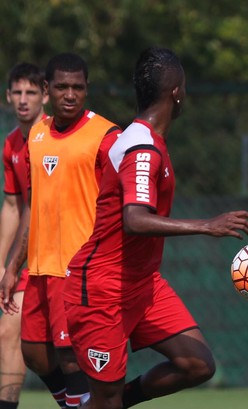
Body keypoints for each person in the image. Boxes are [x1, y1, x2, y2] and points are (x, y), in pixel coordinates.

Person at [62, 47, 248, 409]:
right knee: (104, 399)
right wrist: (207, 226)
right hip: (102, 290)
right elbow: (134, 219)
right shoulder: (142, 147)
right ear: (176, 92)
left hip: (142, 283)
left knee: (196, 364)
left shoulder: (149, 141)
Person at [0, 53, 121, 409]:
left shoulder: (106, 135)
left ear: (86, 90)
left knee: (71, 360)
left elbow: (121, 205)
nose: (70, 94)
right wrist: (12, 266)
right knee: (34, 354)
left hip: (75, 269)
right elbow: (32, 207)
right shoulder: (36, 136)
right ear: (47, 90)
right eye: (63, 87)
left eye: (78, 87)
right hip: (38, 269)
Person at [0, 62, 48, 409]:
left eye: (31, 92)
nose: (23, 99)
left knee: (62, 352)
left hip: (67, 256)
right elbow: (15, 207)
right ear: (7, 96)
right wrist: (3, 265)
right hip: (30, 259)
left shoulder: (55, 135)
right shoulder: (12, 144)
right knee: (8, 333)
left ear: (44, 95)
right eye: (17, 92)